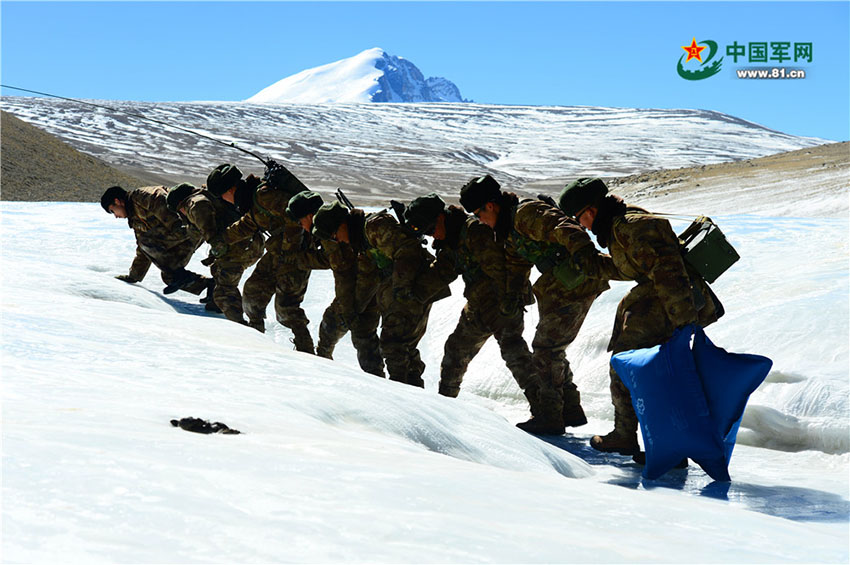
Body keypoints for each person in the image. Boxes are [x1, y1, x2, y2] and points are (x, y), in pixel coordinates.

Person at [557, 177, 721, 455]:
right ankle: (644, 438)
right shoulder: (619, 227)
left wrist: (682, 323)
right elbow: (634, 268)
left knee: (635, 368)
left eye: (579, 218)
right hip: (656, 305)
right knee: (639, 369)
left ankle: (653, 441)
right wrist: (590, 262)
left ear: (591, 211)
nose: (582, 225)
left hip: (667, 306)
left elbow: (669, 274)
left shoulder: (632, 227)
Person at [460, 175, 617, 435]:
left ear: (490, 206)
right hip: (561, 286)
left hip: (577, 282)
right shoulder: (508, 228)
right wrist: (511, 296)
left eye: (478, 214)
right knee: (552, 347)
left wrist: (586, 258)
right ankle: (569, 410)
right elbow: (516, 263)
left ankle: (550, 416)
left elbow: (565, 227)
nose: (480, 221)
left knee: (547, 349)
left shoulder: (525, 214)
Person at [403, 192, 540, 412]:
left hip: (503, 302)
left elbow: (501, 268)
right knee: (456, 350)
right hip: (478, 306)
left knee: (515, 353)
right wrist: (410, 293)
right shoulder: (452, 238)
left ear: (440, 217)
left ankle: (545, 409)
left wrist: (509, 301)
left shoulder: (475, 231)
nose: (432, 237)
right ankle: (445, 405)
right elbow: (442, 272)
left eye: (430, 230)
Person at [312, 200, 448, 387]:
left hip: (416, 288)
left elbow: (408, 250)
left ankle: (403, 394)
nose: (339, 241)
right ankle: (408, 390)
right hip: (407, 290)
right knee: (399, 345)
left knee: (394, 345)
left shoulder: (374, 227)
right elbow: (368, 277)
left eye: (335, 235)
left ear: (342, 224)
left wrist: (401, 292)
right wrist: (352, 310)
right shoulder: (361, 241)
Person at [208, 163, 328, 351]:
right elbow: (247, 225)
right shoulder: (253, 202)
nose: (224, 200)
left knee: (286, 307)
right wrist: (222, 240)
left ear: (230, 189)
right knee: (253, 292)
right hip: (279, 253)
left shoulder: (264, 195)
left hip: (298, 252)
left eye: (222, 195)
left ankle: (307, 351)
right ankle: (256, 342)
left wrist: (289, 251)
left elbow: (294, 216)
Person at [286, 191, 384, 376]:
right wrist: (300, 261)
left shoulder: (327, 228)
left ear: (309, 217)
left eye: (301, 222)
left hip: (371, 286)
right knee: (334, 327)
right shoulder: (329, 226)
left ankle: (381, 383)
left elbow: (342, 271)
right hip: (362, 282)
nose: (301, 227)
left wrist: (350, 310)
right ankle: (325, 366)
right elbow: (330, 260)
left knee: (360, 332)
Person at [165, 181, 263, 325]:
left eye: (179, 211)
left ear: (181, 205)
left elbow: (209, 232)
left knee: (224, 292)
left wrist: (215, 244)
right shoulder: (205, 197)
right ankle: (217, 308)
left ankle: (243, 330)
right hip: (248, 243)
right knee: (218, 270)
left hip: (241, 246)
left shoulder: (194, 203)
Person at [101, 185, 212, 300]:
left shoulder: (146, 197)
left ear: (117, 201)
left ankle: (182, 276)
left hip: (191, 229)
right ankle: (212, 287)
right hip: (180, 237)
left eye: (112, 211)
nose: (116, 216)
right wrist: (134, 276)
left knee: (148, 243)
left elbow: (175, 220)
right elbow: (143, 249)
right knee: (169, 276)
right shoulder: (134, 217)